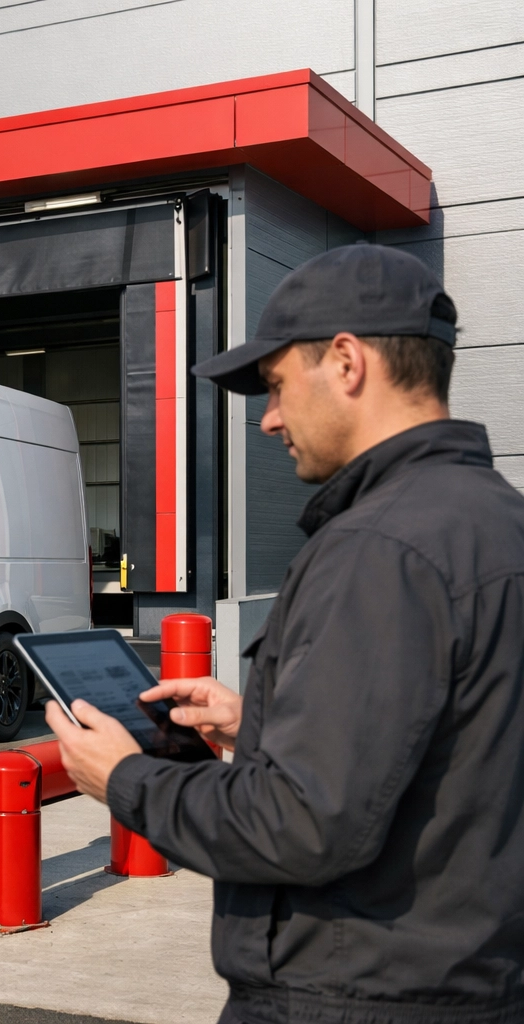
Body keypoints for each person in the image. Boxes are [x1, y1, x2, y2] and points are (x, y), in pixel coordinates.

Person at [46, 243, 524, 1024]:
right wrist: (255, 724)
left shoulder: (379, 548)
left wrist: (126, 780)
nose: (269, 418)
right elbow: (459, 751)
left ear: (346, 362)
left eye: (274, 386)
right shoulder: (497, 521)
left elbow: (301, 826)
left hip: (354, 992)